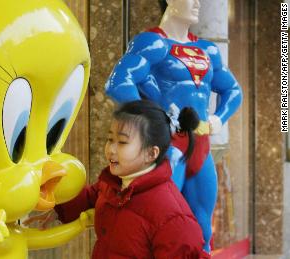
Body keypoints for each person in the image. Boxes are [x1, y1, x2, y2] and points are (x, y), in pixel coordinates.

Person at [104, 0, 243, 252]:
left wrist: (218, 118)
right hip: (166, 147)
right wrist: (157, 117)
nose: (198, 3)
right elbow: (117, 83)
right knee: (158, 222)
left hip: (200, 146)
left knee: (202, 226)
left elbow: (233, 89)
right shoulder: (152, 43)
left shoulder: (208, 50)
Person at [50, 100, 209, 259]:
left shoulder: (173, 218)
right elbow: (89, 198)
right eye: (110, 139)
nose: (110, 149)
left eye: (122, 142)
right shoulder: (113, 183)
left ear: (151, 153)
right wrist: (56, 196)